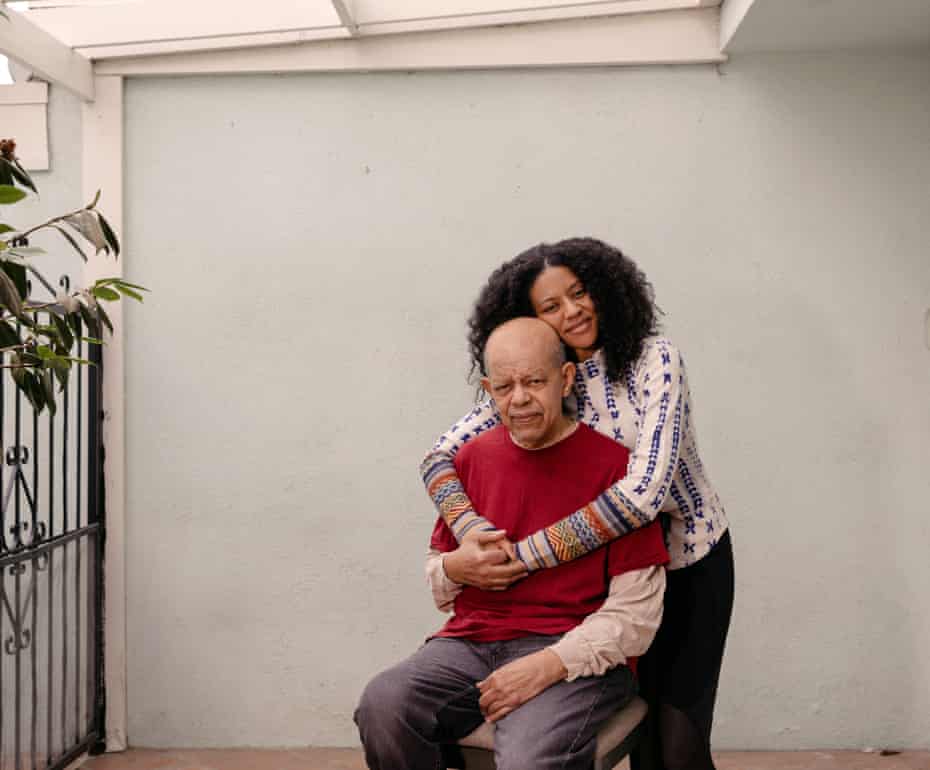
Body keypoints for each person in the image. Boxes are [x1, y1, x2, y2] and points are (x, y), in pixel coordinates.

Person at [420, 237, 735, 770]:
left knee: (677, 742)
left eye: (579, 292)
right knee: (624, 722)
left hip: (688, 565)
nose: (572, 311)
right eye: (550, 306)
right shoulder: (545, 379)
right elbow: (437, 458)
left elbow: (642, 497)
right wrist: (472, 531)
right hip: (603, 585)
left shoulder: (655, 360)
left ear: (605, 288)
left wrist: (521, 557)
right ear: (532, 318)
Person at [356, 318, 669, 770]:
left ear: (564, 380)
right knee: (383, 706)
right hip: (469, 644)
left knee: (529, 758)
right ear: (488, 388)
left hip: (571, 652)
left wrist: (547, 664)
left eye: (533, 382)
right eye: (504, 386)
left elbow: (636, 617)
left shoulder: (618, 471)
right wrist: (454, 568)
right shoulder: (471, 458)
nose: (518, 399)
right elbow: (441, 578)